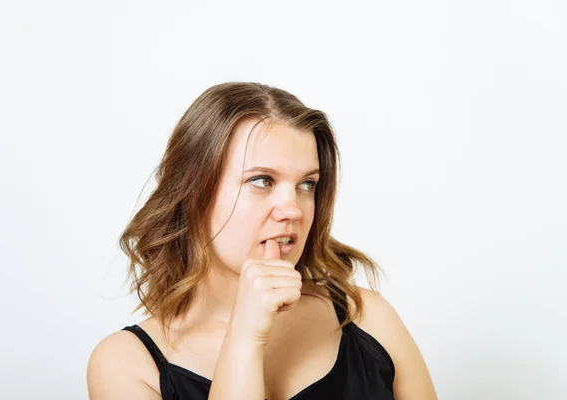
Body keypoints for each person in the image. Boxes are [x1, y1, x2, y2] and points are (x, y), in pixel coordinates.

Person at [87, 81, 438, 400]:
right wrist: (245, 337)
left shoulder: (366, 318)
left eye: (307, 184)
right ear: (193, 193)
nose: (293, 210)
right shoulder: (126, 364)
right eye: (262, 180)